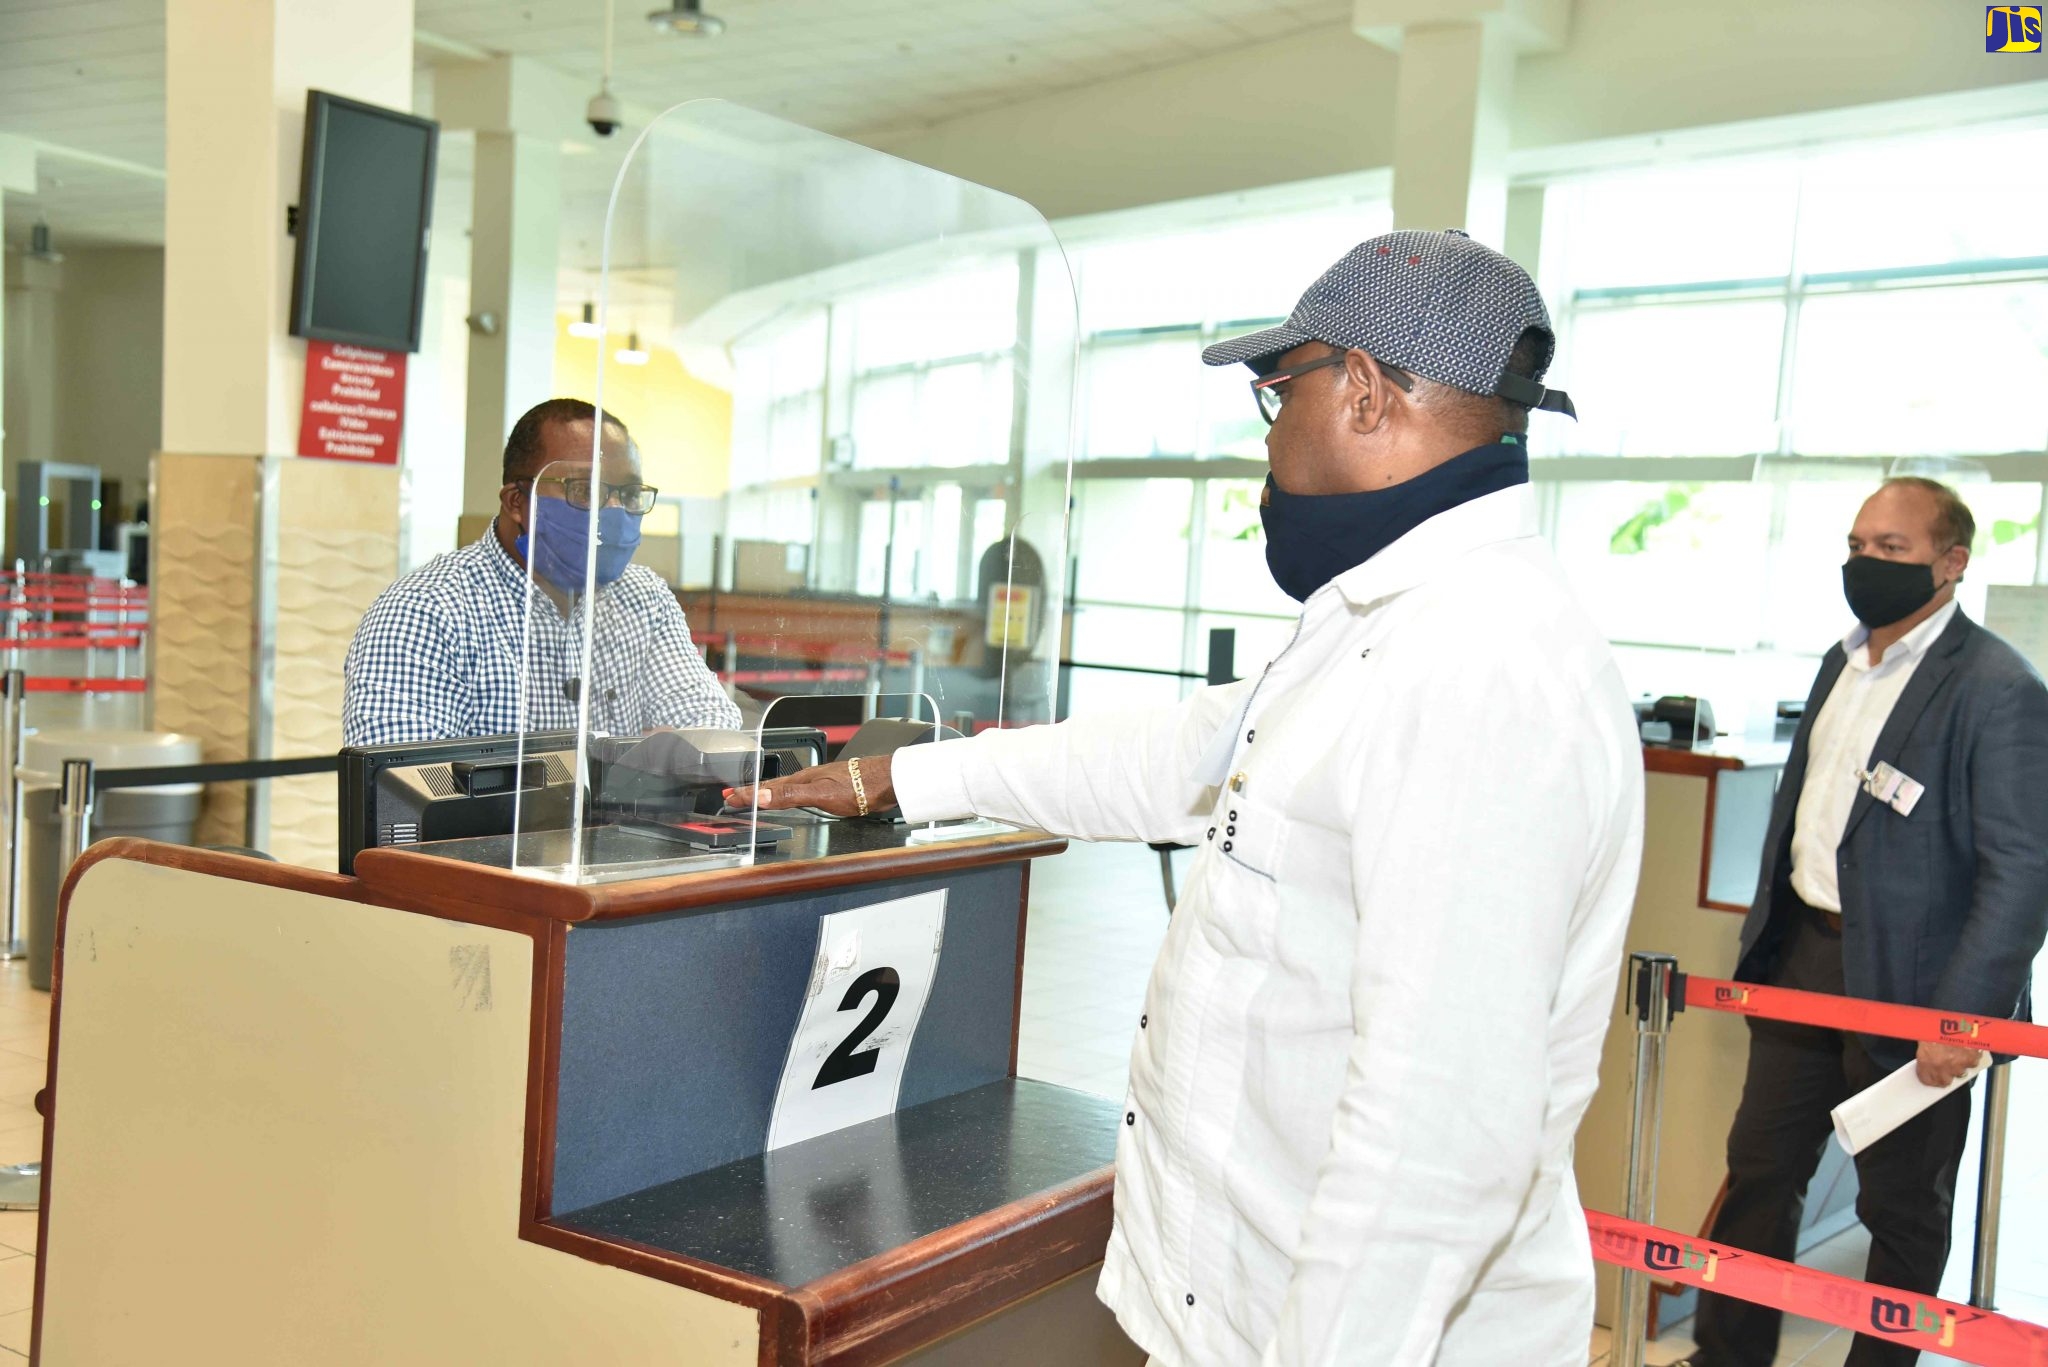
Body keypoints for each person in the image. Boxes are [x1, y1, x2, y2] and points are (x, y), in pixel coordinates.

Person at [731, 230, 1645, 1366]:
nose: (1270, 438)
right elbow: (1175, 755)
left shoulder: (1477, 672)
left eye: (1280, 393)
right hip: (1239, 1308)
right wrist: (907, 773)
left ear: (1360, 391)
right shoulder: (1382, 625)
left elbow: (1438, 1131)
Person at [1679, 478, 2048, 1367]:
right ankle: (1727, 1357)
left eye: (1892, 549)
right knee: (1760, 1170)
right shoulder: (1839, 661)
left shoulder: (1998, 686)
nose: (1865, 564)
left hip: (1919, 990)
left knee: (1901, 1208)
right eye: (1856, 544)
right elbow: (1802, 810)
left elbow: (2023, 866)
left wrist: (1961, 1014)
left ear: (1951, 563)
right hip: (1806, 959)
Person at [342, 398, 739, 747]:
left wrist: (680, 752)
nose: (615, 511)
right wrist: (636, 762)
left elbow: (710, 730)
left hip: (631, 834)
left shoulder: (642, 597)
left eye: (630, 494)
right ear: (518, 502)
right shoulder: (425, 612)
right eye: (585, 491)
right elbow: (404, 789)